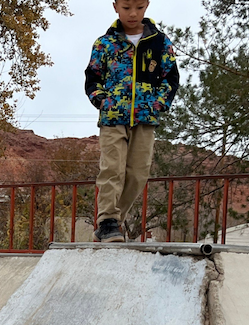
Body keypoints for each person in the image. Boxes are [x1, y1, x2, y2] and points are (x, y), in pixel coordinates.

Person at [84, 0, 180, 242]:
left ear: (147, 5)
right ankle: (107, 221)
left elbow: (170, 78)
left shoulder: (160, 42)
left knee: (138, 174)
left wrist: (159, 103)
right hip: (113, 117)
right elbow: (93, 78)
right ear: (115, 6)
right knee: (112, 169)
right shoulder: (104, 43)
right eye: (126, 8)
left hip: (145, 118)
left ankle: (112, 223)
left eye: (138, 7)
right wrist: (102, 101)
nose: (133, 13)